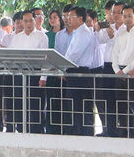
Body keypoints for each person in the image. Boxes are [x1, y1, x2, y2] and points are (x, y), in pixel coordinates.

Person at [9, 10, 49, 133]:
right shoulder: (16, 38)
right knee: (20, 103)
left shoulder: (42, 36)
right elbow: (11, 57)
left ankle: (37, 131)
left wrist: (43, 77)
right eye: (25, 21)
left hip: (36, 75)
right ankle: (21, 130)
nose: (28, 23)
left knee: (35, 105)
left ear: (34, 20)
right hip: (20, 74)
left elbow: (45, 59)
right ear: (21, 22)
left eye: (30, 20)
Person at [112, 5, 134, 138]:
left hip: (133, 71)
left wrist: (126, 71)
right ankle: (123, 129)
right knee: (121, 104)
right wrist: (117, 70)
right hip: (119, 71)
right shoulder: (120, 33)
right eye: (124, 16)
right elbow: (115, 53)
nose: (126, 19)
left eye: (129, 16)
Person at [96, 0, 126, 137]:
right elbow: (101, 40)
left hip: (121, 66)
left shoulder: (128, 28)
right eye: (113, 12)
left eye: (118, 12)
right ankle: (109, 129)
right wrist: (101, 29)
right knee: (108, 99)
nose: (115, 15)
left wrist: (112, 34)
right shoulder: (109, 26)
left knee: (122, 99)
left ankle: (124, 129)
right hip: (107, 66)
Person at [64, 7, 95, 136]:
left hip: (80, 73)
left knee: (82, 106)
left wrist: (63, 66)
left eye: (71, 16)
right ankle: (78, 132)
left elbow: (74, 54)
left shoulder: (84, 33)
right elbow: (69, 53)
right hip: (73, 71)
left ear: (80, 18)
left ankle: (85, 134)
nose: (68, 19)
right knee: (75, 106)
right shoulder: (77, 32)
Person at [41, 9, 65, 134]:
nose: (52, 20)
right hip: (50, 71)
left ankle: (63, 127)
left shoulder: (65, 33)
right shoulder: (47, 35)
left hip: (62, 72)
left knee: (63, 101)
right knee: (50, 100)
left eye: (55, 17)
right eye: (50, 17)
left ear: (60, 19)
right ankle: (51, 128)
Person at [87, 9, 106, 134]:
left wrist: (97, 30)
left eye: (89, 21)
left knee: (101, 102)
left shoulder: (101, 32)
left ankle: (106, 129)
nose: (87, 24)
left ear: (95, 20)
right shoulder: (85, 33)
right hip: (88, 70)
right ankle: (89, 129)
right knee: (88, 102)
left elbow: (99, 43)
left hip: (99, 70)